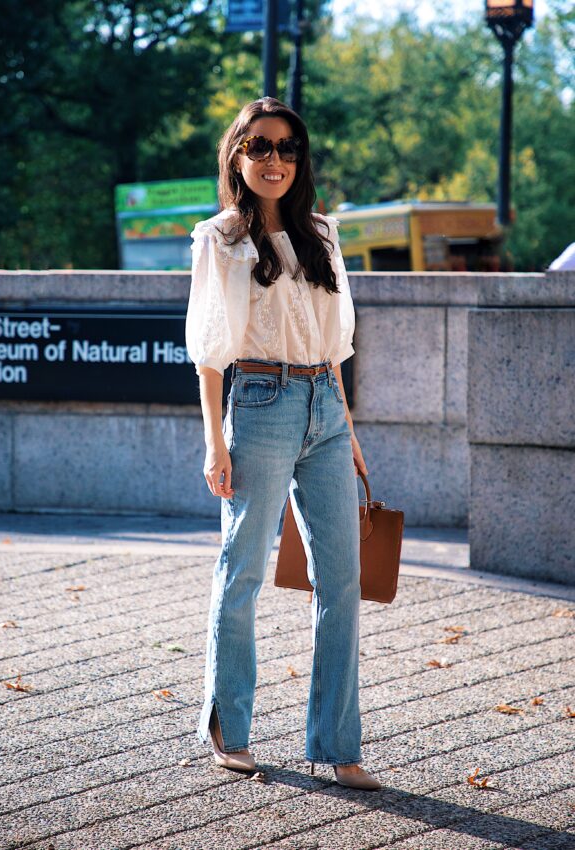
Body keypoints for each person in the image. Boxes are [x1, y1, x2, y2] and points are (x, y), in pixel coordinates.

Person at [185, 96, 382, 791]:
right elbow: (210, 353)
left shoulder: (322, 235)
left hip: (325, 409)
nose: (276, 160)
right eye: (261, 147)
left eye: (288, 148)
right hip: (260, 405)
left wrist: (350, 436)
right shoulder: (220, 239)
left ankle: (337, 744)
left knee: (343, 582)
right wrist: (216, 443)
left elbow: (334, 349)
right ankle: (229, 730)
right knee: (242, 571)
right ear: (238, 157)